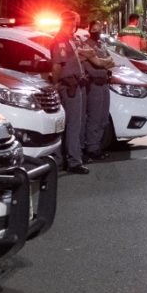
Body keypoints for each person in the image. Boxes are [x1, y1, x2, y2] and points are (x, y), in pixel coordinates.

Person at [50, 10, 95, 174]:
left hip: (76, 84)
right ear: (68, 22)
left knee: (74, 124)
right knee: (73, 125)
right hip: (70, 86)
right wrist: (55, 84)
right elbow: (56, 65)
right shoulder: (61, 41)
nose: (76, 25)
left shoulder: (69, 40)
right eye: (75, 22)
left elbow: (72, 60)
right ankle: (73, 161)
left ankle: (67, 158)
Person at [81, 20, 116, 162]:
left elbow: (111, 61)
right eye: (94, 29)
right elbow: (96, 64)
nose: (97, 31)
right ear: (89, 30)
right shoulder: (86, 45)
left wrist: (103, 62)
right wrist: (103, 62)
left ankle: (97, 146)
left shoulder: (100, 45)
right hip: (94, 85)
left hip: (104, 84)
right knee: (94, 118)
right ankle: (91, 148)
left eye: (99, 29)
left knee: (103, 118)